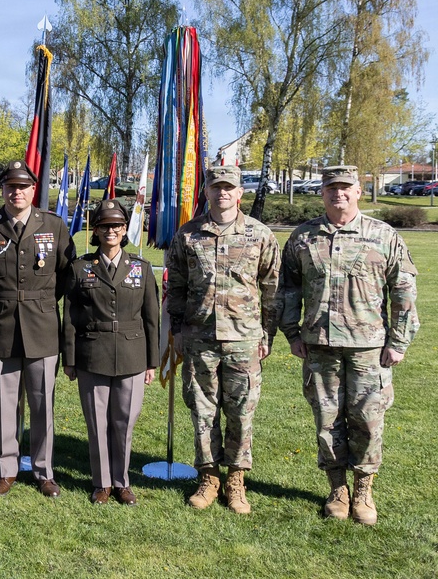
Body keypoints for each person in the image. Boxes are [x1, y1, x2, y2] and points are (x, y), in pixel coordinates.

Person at [279, 165, 418, 525]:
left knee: (368, 421)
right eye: (331, 188)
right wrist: (292, 334)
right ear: (322, 193)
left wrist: (398, 342)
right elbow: (288, 290)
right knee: (327, 422)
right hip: (319, 347)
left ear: (358, 191)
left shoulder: (383, 235)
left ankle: (363, 491)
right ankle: (337, 489)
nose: (338, 193)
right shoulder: (303, 237)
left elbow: (403, 291)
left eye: (345, 187)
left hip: (368, 348)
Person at [167, 164, 280, 514]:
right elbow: (176, 287)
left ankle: (236, 480)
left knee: (241, 412)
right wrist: (177, 330)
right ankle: (209, 476)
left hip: (244, 340)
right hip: (199, 337)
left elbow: (273, 289)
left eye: (229, 187)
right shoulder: (188, 235)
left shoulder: (260, 235)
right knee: (202, 410)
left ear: (239, 193)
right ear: (207, 192)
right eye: (216, 187)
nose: (222, 193)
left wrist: (267, 334)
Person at [0, 159, 75, 498]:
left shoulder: (53, 226)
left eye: (23, 186)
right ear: (3, 190)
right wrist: (1, 298)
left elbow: (67, 276)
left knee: (43, 404)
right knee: (6, 404)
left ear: (33, 189)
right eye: (11, 186)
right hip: (1, 326)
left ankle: (43, 471)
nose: (17, 192)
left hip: (42, 327)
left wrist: (37, 302)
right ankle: (7, 468)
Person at [62, 200, 159, 505]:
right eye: (105, 225)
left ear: (124, 229)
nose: (111, 231)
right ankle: (102, 482)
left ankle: (122, 481)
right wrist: (70, 359)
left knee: (124, 422)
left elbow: (152, 318)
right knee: (97, 422)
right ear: (97, 230)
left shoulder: (141, 268)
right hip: (93, 354)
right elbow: (69, 317)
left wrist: (152, 362)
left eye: (116, 225)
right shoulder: (81, 268)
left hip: (132, 356)